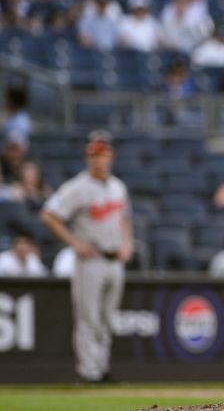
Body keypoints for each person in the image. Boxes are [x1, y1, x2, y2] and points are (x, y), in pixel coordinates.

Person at [40, 130, 133, 383]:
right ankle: (88, 371)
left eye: (102, 154)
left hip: (115, 259)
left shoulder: (117, 186)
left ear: (111, 156)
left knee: (106, 319)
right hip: (91, 260)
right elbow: (49, 214)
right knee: (88, 317)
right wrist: (74, 243)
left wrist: (127, 243)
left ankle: (102, 368)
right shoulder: (77, 186)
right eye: (93, 154)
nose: (98, 159)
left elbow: (124, 218)